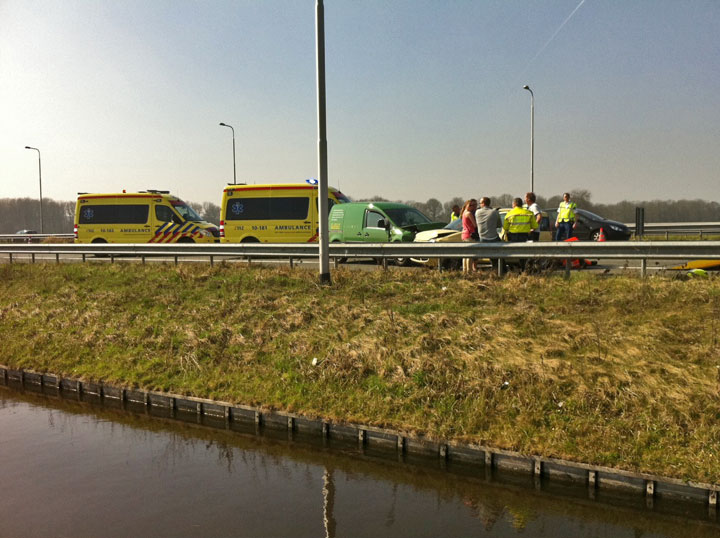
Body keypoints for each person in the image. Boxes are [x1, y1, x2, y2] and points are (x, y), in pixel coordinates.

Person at [475, 197, 501, 271]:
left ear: (483, 203)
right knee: (498, 254)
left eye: (480, 203)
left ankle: (495, 269)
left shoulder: (477, 212)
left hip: (482, 239)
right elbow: (499, 225)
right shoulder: (494, 212)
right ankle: (499, 269)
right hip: (493, 238)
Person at [460, 199, 479, 271]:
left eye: (475, 205)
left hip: (464, 234)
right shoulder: (469, 214)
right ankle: (469, 270)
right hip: (470, 235)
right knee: (470, 255)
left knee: (465, 254)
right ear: (468, 205)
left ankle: (465, 270)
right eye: (472, 205)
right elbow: (475, 225)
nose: (473, 207)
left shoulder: (464, 213)